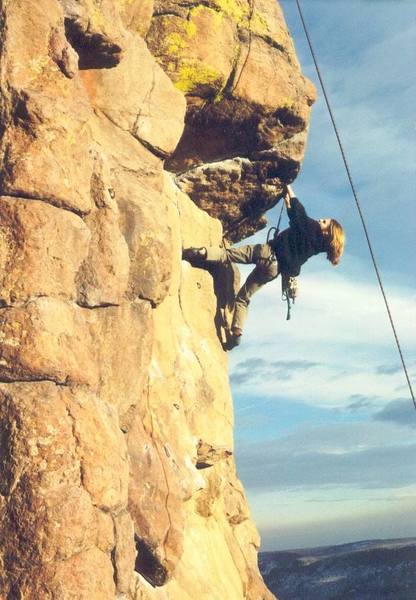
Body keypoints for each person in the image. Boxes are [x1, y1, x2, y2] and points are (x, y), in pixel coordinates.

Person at [183, 185, 345, 346]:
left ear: (326, 232)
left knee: (228, 255)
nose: (320, 220)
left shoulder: (311, 227)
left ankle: (202, 253)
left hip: (266, 252)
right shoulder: (314, 247)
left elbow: (298, 211)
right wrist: (287, 201)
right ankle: (237, 330)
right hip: (274, 270)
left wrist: (288, 186)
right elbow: (295, 218)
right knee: (244, 297)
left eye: (324, 222)